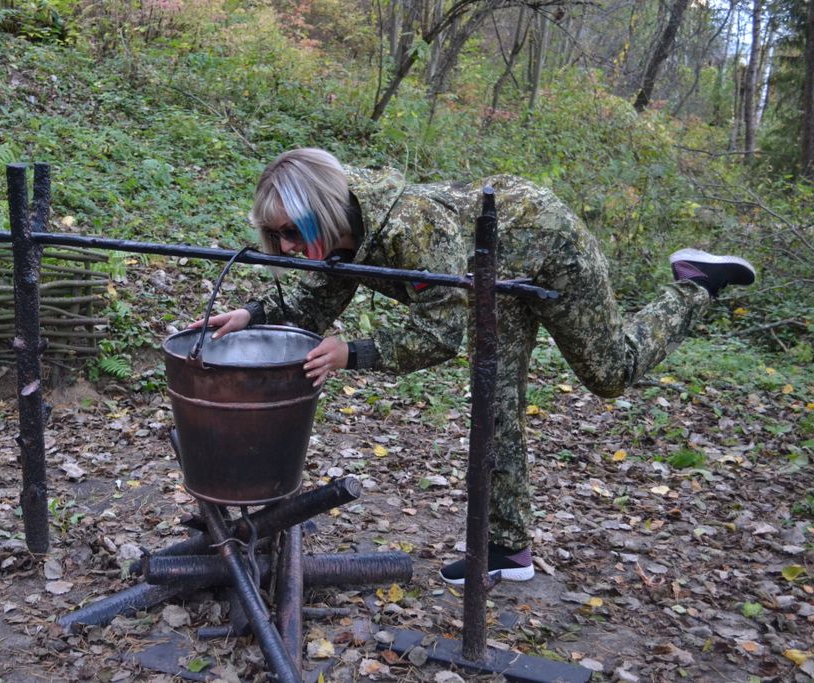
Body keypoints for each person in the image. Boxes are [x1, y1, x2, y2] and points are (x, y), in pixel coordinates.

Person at [195, 148, 755, 583]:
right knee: (496, 404)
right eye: (276, 236)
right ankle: (508, 548)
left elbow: (440, 334)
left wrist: (354, 353)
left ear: (321, 211)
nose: (286, 247)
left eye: (292, 232)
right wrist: (253, 314)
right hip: (485, 276)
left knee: (611, 372)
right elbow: (316, 300)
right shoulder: (340, 232)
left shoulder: (409, 227)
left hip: (545, 244)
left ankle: (696, 284)